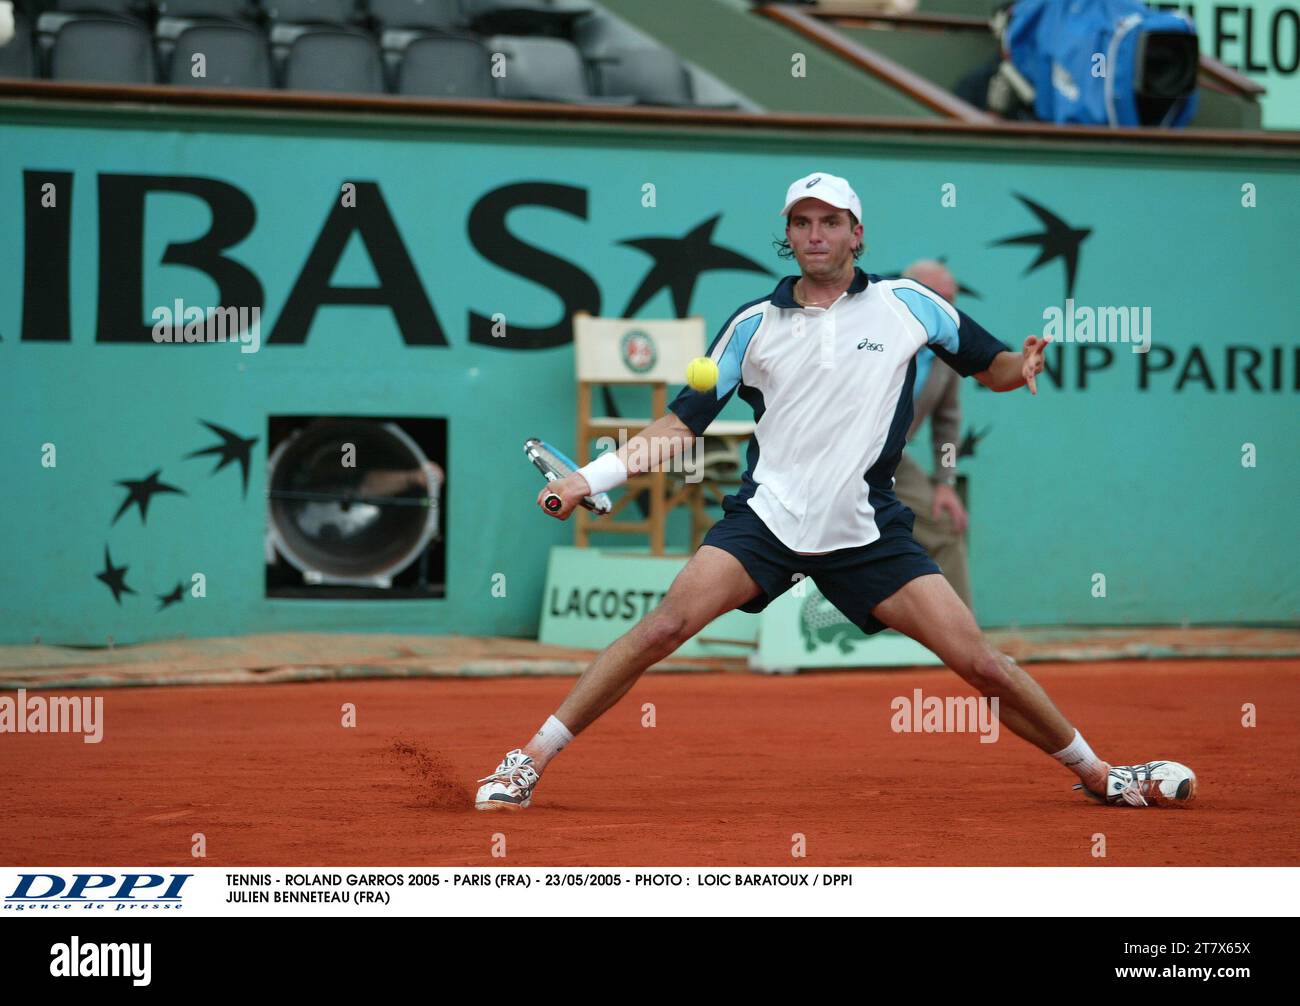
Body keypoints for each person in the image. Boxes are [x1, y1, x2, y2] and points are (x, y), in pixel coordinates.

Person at [475, 171, 1196, 812]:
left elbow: (991, 365)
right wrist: (588, 480)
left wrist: (1021, 365)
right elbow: (677, 426)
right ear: (788, 236)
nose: (815, 233)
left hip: (866, 530)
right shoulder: (752, 326)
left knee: (982, 663)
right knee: (660, 629)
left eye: (829, 221)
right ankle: (526, 761)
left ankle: (1103, 777)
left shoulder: (910, 304)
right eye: (801, 222)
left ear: (857, 233)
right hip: (767, 519)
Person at [892, 259, 972, 611]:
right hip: (835, 456)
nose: (946, 309)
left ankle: (968, 646)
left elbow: (947, 422)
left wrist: (945, 482)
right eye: (937, 298)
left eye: (951, 300)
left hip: (890, 459)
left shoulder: (949, 351)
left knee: (943, 528)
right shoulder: (875, 335)